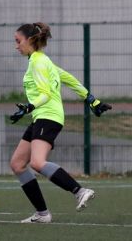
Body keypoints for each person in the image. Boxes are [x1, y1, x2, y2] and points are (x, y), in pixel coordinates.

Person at [10, 22, 112, 223]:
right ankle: (42, 214)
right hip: (42, 116)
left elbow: (46, 94)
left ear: (29, 40)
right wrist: (91, 99)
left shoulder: (38, 63)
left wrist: (28, 107)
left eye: (18, 41)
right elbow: (68, 79)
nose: (16, 46)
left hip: (48, 116)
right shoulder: (43, 61)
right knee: (18, 164)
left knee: (37, 162)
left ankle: (79, 190)